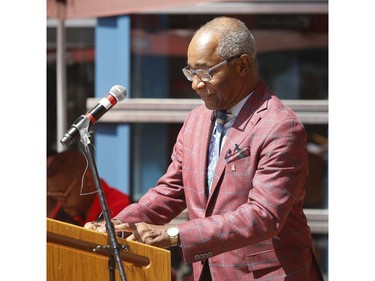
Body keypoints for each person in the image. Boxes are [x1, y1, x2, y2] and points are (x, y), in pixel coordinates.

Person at [85, 16, 324, 280]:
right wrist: (119, 224)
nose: (195, 84)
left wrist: (174, 234)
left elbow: (263, 216)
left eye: (206, 72)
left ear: (242, 65)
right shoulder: (196, 120)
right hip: (207, 272)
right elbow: (172, 190)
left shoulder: (279, 126)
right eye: (190, 72)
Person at [47, 150, 132, 226]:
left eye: (63, 194)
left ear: (87, 180)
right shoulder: (64, 212)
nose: (60, 203)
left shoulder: (121, 210)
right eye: (55, 196)